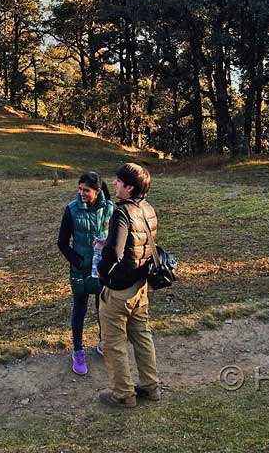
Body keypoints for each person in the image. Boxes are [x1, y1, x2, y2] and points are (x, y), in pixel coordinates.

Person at [95, 162, 161, 408]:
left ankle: (123, 395)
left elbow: (115, 252)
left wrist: (102, 272)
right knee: (142, 336)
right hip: (140, 286)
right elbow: (140, 242)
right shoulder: (148, 209)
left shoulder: (121, 211)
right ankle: (150, 386)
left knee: (114, 343)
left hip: (120, 289)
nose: (114, 184)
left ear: (129, 187)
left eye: (119, 182)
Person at [56, 170, 114, 375]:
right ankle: (78, 350)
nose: (81, 193)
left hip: (102, 270)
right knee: (79, 309)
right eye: (79, 189)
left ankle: (103, 342)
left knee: (103, 309)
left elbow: (116, 237)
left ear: (97, 191)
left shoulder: (110, 209)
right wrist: (77, 260)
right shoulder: (71, 210)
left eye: (86, 190)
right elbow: (62, 243)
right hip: (80, 271)